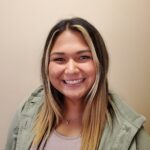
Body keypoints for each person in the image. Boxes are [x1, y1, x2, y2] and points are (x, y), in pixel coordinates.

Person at [5, 17, 150, 150]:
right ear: (46, 67)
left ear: (101, 63)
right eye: (59, 59)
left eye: (83, 57)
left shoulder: (130, 133)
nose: (71, 69)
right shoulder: (27, 112)